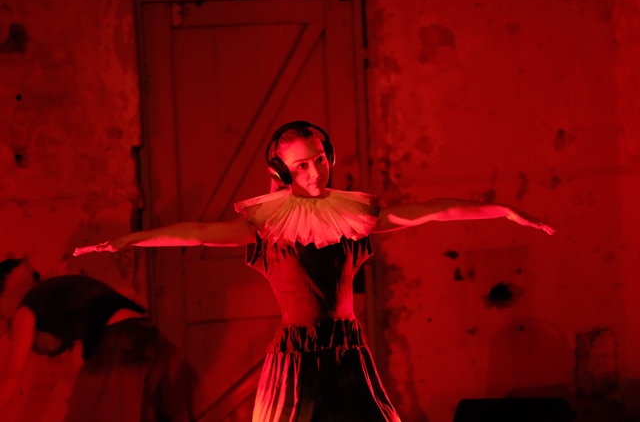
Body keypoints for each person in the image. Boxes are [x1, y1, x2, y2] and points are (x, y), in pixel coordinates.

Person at [73, 120, 555, 422]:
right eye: (301, 166)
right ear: (283, 173)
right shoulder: (267, 229)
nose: (314, 173)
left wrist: (503, 210)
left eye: (319, 160)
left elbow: (431, 211)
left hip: (348, 350)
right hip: (297, 356)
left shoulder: (353, 220)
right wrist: (128, 240)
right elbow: (197, 233)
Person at [0, 257, 194, 422]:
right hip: (149, 337)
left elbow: (13, 374)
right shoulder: (61, 300)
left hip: (119, 343)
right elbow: (84, 368)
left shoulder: (25, 309)